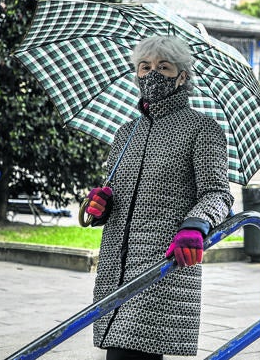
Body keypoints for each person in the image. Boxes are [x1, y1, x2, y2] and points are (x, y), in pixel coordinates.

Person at [84, 36, 234, 360]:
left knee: (128, 350)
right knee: (121, 347)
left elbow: (218, 192)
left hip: (161, 261)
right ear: (136, 73)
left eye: (163, 67)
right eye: (145, 67)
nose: (152, 73)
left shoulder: (202, 128)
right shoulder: (126, 133)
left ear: (182, 76)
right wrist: (102, 203)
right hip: (114, 264)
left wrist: (196, 226)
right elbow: (118, 193)